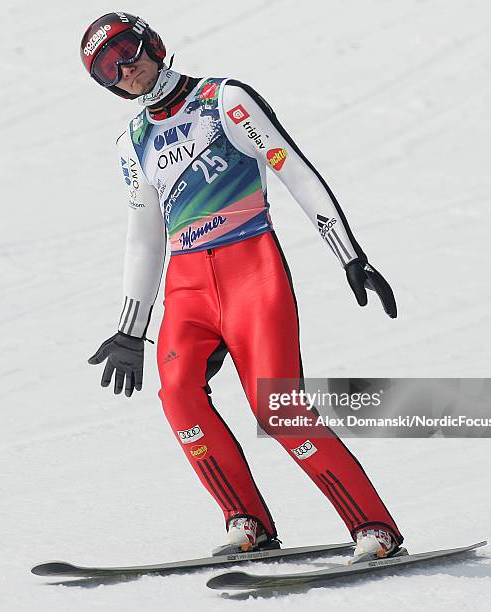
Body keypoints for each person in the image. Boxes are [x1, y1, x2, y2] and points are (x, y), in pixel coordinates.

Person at [81, 12, 404, 563]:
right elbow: (144, 237)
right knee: (178, 395)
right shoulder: (132, 141)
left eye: (127, 52)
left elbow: (294, 170)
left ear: (153, 42)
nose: (125, 71)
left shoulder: (224, 99)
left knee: (277, 408)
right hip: (188, 287)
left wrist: (350, 255)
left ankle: (374, 529)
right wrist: (129, 331)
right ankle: (246, 520)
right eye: (107, 70)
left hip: (250, 269)